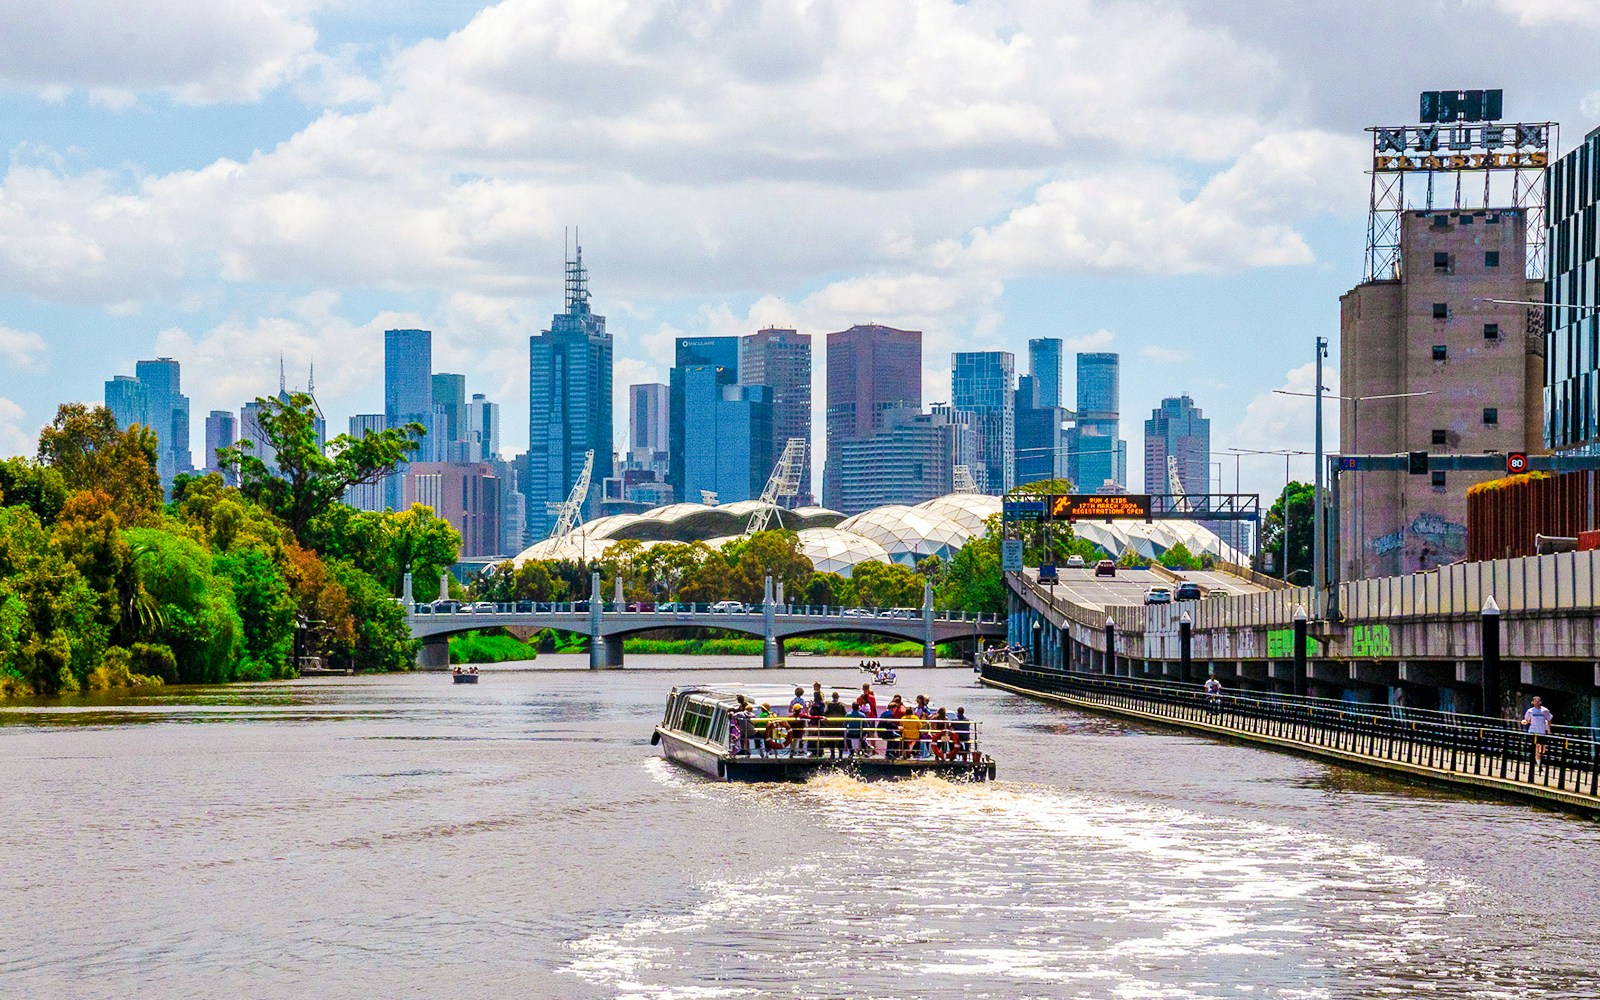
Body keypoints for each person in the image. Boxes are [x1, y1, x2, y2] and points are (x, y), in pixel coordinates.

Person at [1521, 696, 1554, 765]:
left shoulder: (1545, 710)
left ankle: (1539, 759)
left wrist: (1548, 728)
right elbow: (1526, 719)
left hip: (1542, 731)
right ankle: (1537, 762)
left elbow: (1549, 719)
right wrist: (1524, 722)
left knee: (1542, 749)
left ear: (1540, 702)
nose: (1537, 703)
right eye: (1535, 701)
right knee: (1536, 746)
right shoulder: (1530, 711)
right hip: (1533, 731)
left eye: (1538, 701)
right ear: (1532, 702)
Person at [824, 691, 849, 759]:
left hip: (831, 725)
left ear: (832, 697)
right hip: (839, 725)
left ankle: (832, 754)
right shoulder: (841, 705)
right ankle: (840, 755)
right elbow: (845, 715)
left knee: (831, 740)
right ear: (838, 697)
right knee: (840, 740)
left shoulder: (829, 705)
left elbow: (825, 714)